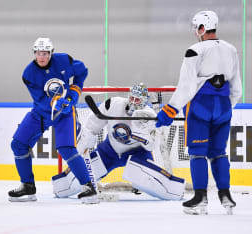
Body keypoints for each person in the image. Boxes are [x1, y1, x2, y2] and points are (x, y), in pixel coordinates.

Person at [155, 11, 242, 215]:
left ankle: (200, 197)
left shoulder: (194, 50)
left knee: (197, 153)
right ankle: (226, 195)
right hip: (224, 106)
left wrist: (169, 111)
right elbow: (237, 87)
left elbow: (186, 87)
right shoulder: (231, 49)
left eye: (196, 28)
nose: (195, 32)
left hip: (200, 105)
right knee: (219, 152)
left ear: (202, 27)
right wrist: (226, 108)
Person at [52, 84, 185, 201]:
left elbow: (152, 145)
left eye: (137, 99)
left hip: (138, 155)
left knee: (170, 190)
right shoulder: (113, 104)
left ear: (144, 101)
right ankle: (62, 185)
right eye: (132, 98)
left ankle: (174, 189)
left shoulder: (149, 116)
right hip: (109, 151)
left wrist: (141, 134)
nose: (133, 102)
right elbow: (93, 124)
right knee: (64, 187)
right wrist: (86, 138)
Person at [8, 37, 98, 204]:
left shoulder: (64, 60)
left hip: (64, 113)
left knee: (66, 148)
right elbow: (40, 98)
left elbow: (82, 72)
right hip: (41, 113)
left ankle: (88, 187)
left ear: (51, 53)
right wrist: (55, 102)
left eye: (45, 53)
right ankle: (28, 186)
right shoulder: (28, 74)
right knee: (18, 144)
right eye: (38, 53)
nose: (41, 57)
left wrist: (73, 94)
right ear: (34, 53)